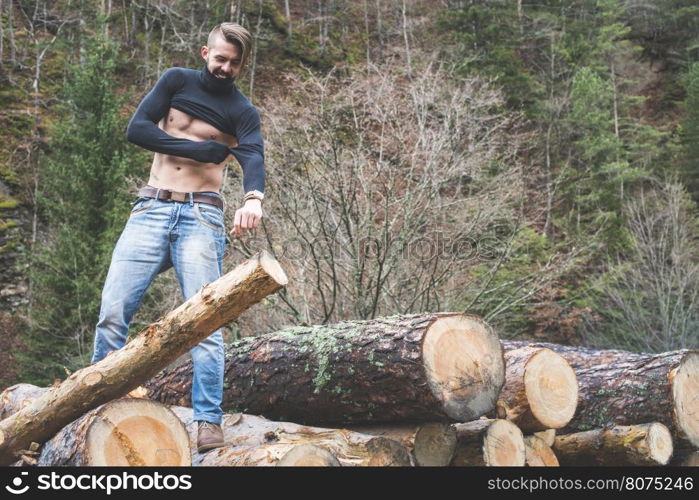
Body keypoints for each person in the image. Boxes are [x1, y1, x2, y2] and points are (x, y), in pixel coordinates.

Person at [90, 22, 265, 453]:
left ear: (241, 66)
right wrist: (199, 149)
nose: (225, 67)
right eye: (220, 57)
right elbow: (138, 130)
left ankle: (208, 421)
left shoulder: (242, 111)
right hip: (151, 208)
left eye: (234, 63)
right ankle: (95, 408)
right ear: (205, 52)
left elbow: (254, 156)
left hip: (202, 215)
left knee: (206, 324)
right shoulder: (176, 81)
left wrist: (254, 199)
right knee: (113, 312)